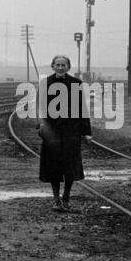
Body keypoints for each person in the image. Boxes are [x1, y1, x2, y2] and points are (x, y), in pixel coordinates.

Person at [36, 55, 92, 212]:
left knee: (70, 166)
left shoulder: (76, 84)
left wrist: (87, 132)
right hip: (51, 132)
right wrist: (41, 125)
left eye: (63, 65)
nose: (60, 67)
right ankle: (56, 199)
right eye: (57, 65)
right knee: (53, 166)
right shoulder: (45, 83)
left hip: (71, 132)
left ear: (68, 67)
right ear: (52, 66)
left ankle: (66, 197)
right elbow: (39, 107)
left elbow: (82, 109)